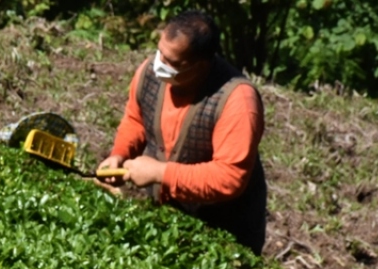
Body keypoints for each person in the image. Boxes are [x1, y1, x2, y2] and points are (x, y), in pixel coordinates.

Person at [97, 9, 267, 254]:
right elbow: (136, 118)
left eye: (173, 63)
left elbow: (230, 177)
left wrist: (161, 173)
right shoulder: (148, 72)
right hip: (170, 218)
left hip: (225, 232)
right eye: (160, 53)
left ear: (200, 65)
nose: (160, 66)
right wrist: (120, 154)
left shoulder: (237, 100)